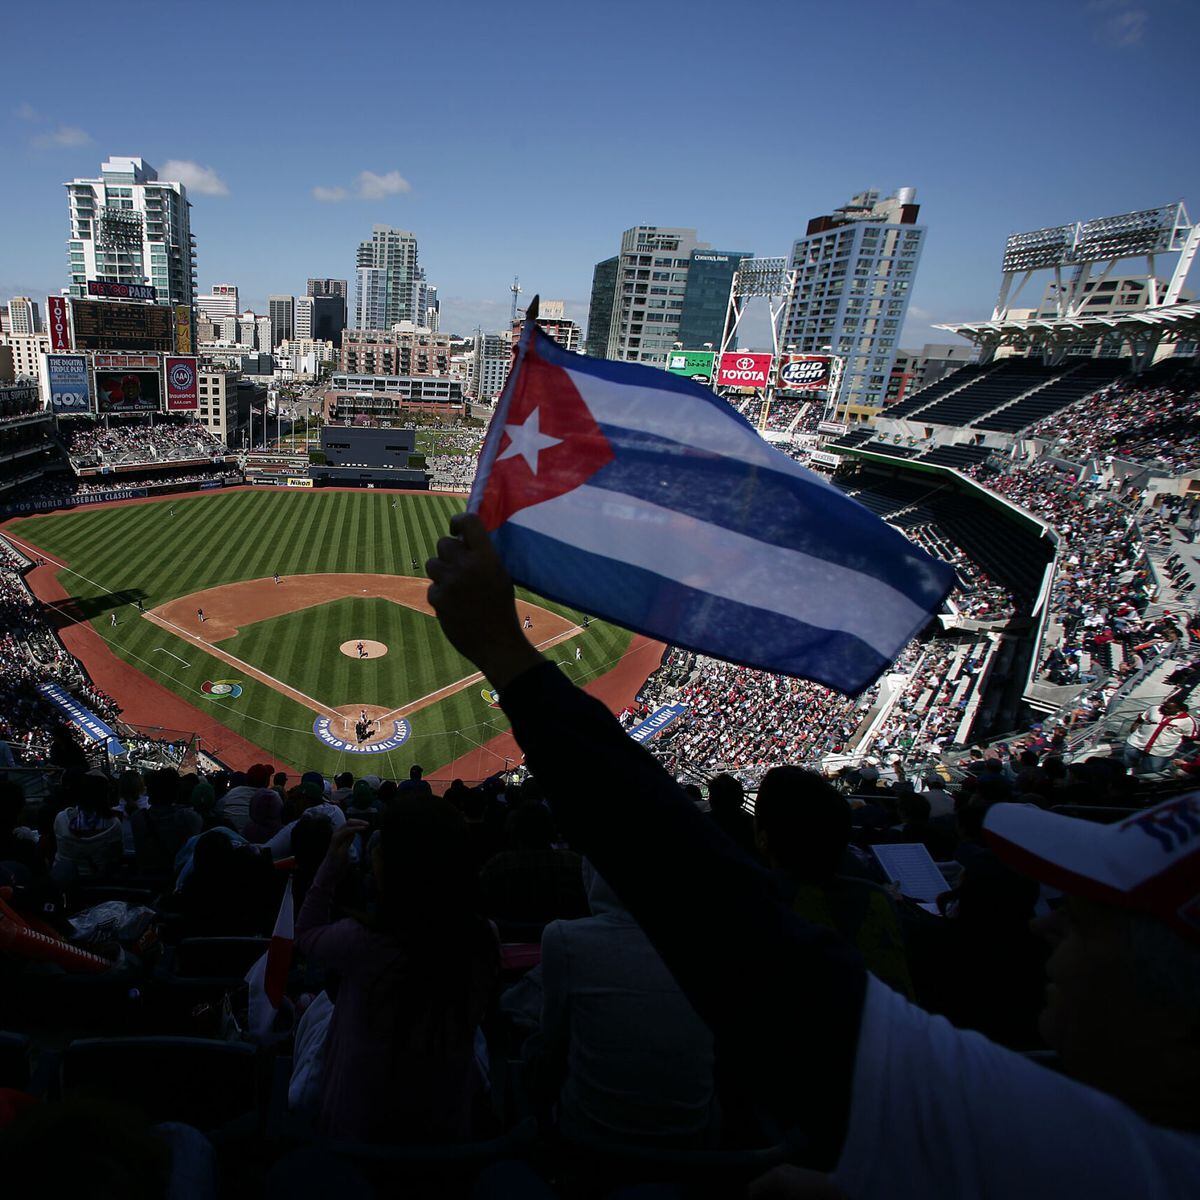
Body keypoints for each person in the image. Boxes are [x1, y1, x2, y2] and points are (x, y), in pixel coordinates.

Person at [425, 512, 1200, 1197]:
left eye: (1095, 917)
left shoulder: (1073, 1145)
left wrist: (508, 655)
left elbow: (719, 916)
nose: (1046, 926)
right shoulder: (1084, 1139)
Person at [295, 804, 499, 1143]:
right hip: (449, 1133)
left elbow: (305, 934)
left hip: (355, 1131)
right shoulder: (482, 937)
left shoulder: (362, 940)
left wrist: (330, 866)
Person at [516, 859, 717, 1147]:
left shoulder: (565, 939)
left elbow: (553, 1043)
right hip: (693, 1144)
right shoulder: (707, 944)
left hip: (587, 1142)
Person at [1124, 698, 1198, 775]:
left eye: (1168, 708)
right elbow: (1140, 719)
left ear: (1179, 709)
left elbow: (1190, 737)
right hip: (1136, 743)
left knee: (1151, 770)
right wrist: (1133, 733)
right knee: (1126, 764)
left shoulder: (1188, 721)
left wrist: (1173, 743)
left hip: (1160, 751)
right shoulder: (1154, 709)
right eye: (1164, 706)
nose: (1164, 709)